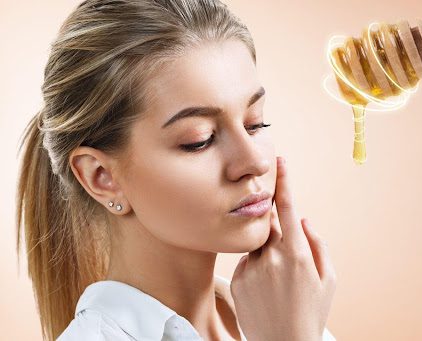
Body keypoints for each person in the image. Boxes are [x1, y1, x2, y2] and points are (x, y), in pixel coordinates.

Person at [15, 0, 337, 340]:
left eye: (255, 124)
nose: (254, 162)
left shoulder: (281, 311)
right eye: (200, 140)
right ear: (102, 177)